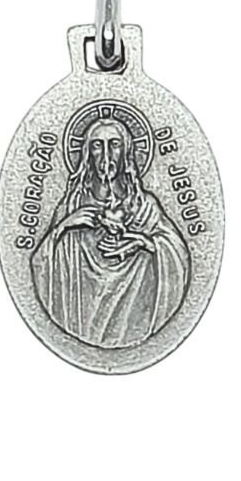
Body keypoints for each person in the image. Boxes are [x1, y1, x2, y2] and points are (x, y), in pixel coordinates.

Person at [31, 118, 190, 348]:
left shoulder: (144, 207)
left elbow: (178, 255)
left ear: (126, 152)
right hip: (81, 316)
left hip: (133, 317)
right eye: (97, 145)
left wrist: (143, 242)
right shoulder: (71, 206)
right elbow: (40, 263)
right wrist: (64, 226)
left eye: (114, 144)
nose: (106, 155)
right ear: (88, 154)